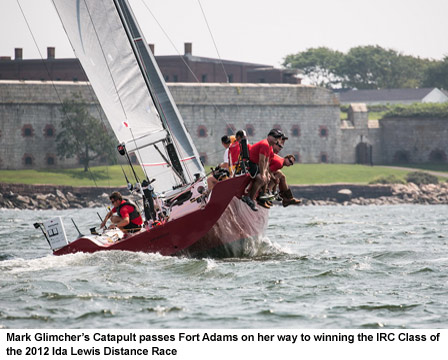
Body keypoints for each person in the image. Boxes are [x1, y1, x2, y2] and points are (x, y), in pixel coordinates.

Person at [242, 129, 283, 211]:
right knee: (261, 179)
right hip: (251, 164)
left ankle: (261, 195)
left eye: (278, 137)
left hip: (256, 165)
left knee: (266, 178)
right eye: (275, 137)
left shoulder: (269, 146)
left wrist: (266, 172)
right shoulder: (265, 144)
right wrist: (262, 174)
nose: (276, 139)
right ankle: (249, 198)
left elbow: (266, 161)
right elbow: (261, 160)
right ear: (269, 136)